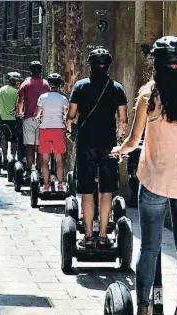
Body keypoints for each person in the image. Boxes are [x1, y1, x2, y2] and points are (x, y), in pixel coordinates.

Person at [111, 36, 177, 315]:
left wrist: (120, 151)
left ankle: (142, 312)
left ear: (156, 64)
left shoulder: (148, 98)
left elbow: (133, 141)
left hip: (154, 181)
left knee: (151, 248)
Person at [66, 48, 128, 248]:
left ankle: (87, 236)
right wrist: (119, 138)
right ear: (108, 66)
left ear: (90, 65)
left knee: (86, 190)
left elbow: (71, 115)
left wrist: (70, 130)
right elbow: (123, 119)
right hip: (108, 145)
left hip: (86, 144)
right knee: (106, 190)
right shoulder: (117, 88)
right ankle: (103, 235)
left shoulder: (80, 86)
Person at [35, 73, 69, 192]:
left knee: (45, 159)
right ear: (59, 85)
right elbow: (66, 115)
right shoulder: (63, 99)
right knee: (59, 159)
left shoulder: (42, 97)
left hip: (45, 129)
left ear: (49, 84)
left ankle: (46, 184)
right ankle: (60, 184)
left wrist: (39, 117)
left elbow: (37, 114)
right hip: (58, 130)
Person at [16, 61, 51, 176]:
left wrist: (19, 112)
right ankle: (40, 170)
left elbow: (20, 101)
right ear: (41, 71)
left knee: (29, 145)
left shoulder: (25, 84)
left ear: (30, 71)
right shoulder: (46, 84)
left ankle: (29, 169)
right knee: (40, 146)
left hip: (29, 117)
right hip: (43, 118)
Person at [0, 72, 23, 160]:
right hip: (14, 119)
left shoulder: (1, 90)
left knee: (4, 138)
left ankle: (4, 157)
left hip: (3, 119)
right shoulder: (17, 92)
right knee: (14, 140)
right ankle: (12, 157)